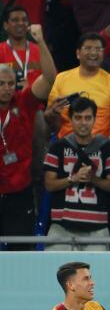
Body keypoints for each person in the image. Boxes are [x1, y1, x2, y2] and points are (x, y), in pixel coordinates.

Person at [42, 97, 110, 251]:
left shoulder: (107, 148)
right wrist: (73, 178)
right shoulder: (58, 147)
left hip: (97, 229)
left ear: (94, 120)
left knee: (98, 274)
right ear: (70, 119)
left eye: (87, 118)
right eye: (78, 118)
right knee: (52, 271)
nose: (83, 122)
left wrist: (93, 179)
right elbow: (49, 185)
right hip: (61, 228)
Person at [0, 23, 54, 248]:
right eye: (1, 84)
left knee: (19, 253)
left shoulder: (24, 102)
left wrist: (40, 41)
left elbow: (50, 78)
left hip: (19, 192)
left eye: (11, 83)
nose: (6, 88)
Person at [47, 33, 110, 145]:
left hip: (100, 147)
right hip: (66, 145)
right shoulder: (61, 78)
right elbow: (48, 115)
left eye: (98, 49)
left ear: (103, 54)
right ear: (78, 53)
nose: (93, 52)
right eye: (88, 48)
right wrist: (53, 112)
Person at [0, 6, 42, 90]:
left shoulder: (40, 50)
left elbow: (52, 80)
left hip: (36, 101)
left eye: (24, 20)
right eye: (15, 20)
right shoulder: (1, 50)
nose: (21, 23)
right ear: (5, 25)